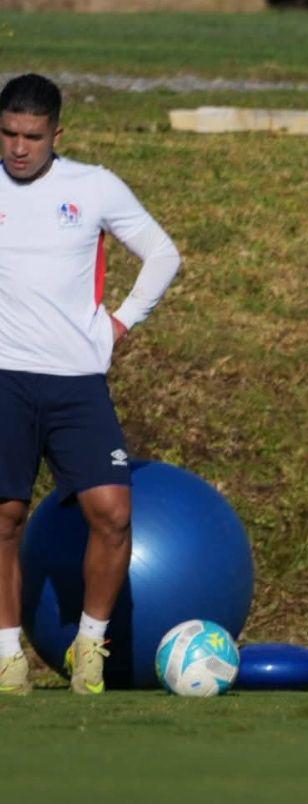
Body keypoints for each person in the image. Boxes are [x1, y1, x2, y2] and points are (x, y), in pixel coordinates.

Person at [0, 74, 181, 695]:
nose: (18, 148)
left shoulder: (94, 185)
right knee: (6, 514)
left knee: (113, 513)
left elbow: (163, 254)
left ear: (57, 134)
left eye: (32, 136)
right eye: (8, 134)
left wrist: (123, 321)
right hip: (7, 376)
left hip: (78, 383)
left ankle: (88, 647)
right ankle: (7, 657)